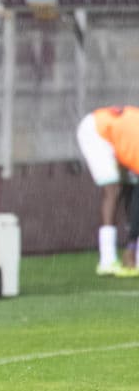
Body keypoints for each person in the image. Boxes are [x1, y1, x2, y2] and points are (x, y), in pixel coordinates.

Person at [75, 106, 139, 277]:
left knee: (130, 187)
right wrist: (131, 245)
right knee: (113, 189)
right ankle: (108, 260)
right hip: (96, 132)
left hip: (117, 134)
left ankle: (134, 255)